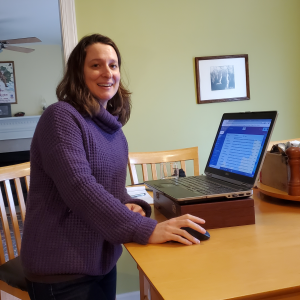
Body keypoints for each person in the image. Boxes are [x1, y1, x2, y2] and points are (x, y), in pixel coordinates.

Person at [20, 34, 207, 300]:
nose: (107, 72)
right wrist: (147, 229)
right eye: (95, 65)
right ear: (78, 73)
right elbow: (79, 188)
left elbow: (113, 190)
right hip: (61, 269)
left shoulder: (113, 132)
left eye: (113, 65)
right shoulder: (60, 117)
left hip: (101, 261)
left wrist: (134, 206)